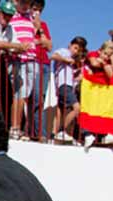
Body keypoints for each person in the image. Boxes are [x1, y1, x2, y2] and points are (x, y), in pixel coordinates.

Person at [6, 0, 41, 140]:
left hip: (31, 59)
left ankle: (17, 127)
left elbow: (35, 33)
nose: (26, 5)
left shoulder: (30, 17)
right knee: (19, 94)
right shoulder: (12, 14)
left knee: (24, 95)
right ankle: (14, 128)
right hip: (18, 59)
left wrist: (36, 21)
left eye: (29, 3)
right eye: (23, 2)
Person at [51, 35, 86, 143]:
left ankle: (53, 134)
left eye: (78, 50)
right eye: (75, 48)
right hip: (64, 86)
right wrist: (65, 59)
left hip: (65, 85)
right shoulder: (65, 52)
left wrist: (77, 77)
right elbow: (54, 56)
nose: (76, 51)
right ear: (70, 45)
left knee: (60, 112)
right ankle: (62, 130)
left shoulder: (72, 61)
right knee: (77, 108)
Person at [27, 0, 52, 141]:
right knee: (33, 97)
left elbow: (49, 46)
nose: (36, 13)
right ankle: (33, 131)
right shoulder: (24, 22)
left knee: (39, 99)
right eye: (34, 9)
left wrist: (40, 29)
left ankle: (39, 133)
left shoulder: (43, 25)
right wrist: (35, 32)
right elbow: (28, 42)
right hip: (31, 62)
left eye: (39, 10)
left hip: (44, 64)